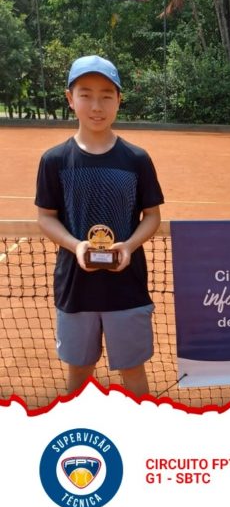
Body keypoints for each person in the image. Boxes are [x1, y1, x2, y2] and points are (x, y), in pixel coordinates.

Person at [35, 55, 164, 397]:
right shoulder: (54, 160)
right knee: (79, 371)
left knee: (133, 371)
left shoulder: (137, 159)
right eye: (86, 94)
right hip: (75, 288)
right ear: (70, 99)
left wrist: (129, 246)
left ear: (119, 100)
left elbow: (152, 215)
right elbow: (45, 217)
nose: (96, 106)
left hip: (127, 287)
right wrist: (76, 245)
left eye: (107, 95)